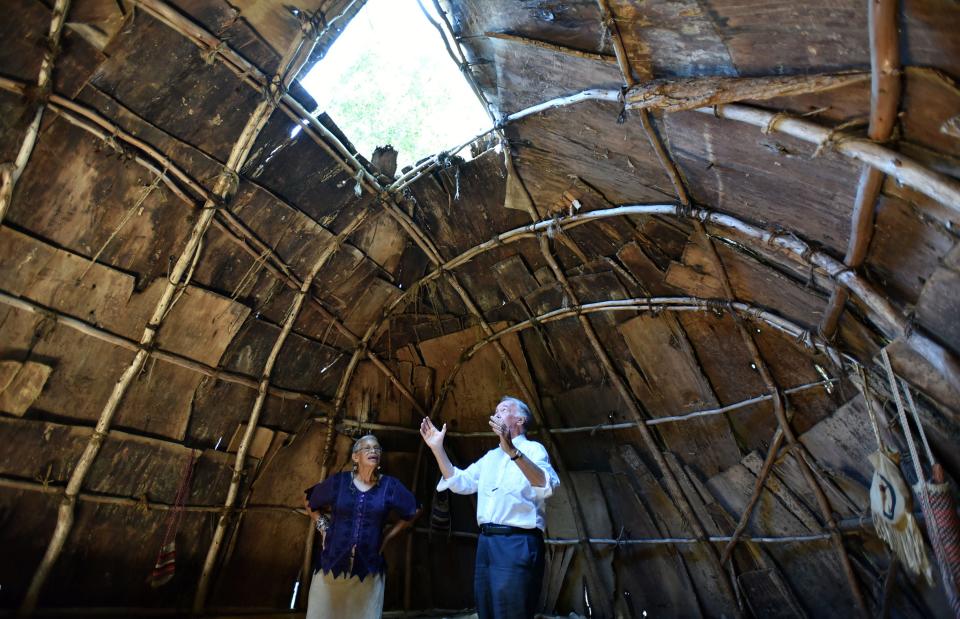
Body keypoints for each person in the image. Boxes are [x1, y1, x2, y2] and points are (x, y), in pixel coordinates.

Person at [419, 396, 560, 619]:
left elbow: (546, 485)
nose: (496, 414)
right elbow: (460, 482)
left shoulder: (534, 450)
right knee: (487, 609)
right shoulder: (491, 457)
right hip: (486, 543)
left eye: (503, 410)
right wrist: (437, 448)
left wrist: (513, 451)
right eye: (495, 411)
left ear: (520, 419)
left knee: (512, 611)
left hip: (517, 542)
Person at [303, 434, 419, 619]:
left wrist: (387, 537)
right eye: (368, 448)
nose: (374, 451)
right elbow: (309, 500)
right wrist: (323, 526)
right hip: (330, 569)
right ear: (355, 457)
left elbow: (413, 509)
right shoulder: (338, 482)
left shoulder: (390, 486)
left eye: (377, 449)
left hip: (368, 573)